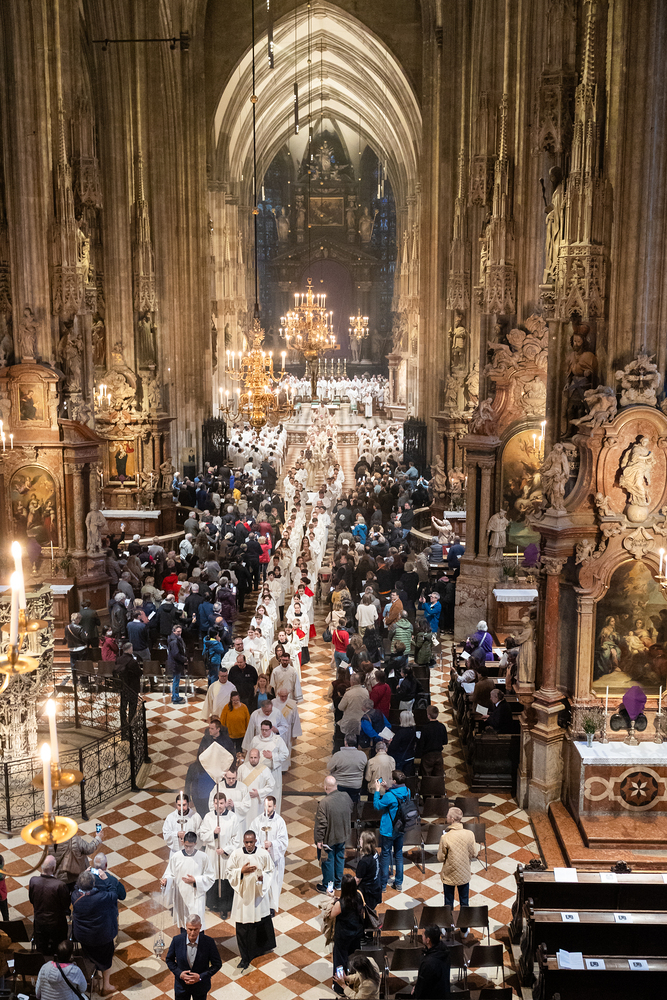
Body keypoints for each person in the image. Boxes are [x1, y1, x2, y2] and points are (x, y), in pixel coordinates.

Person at [227, 830, 276, 971]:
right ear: (243, 842)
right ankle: (245, 957)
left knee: (258, 923)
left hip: (257, 894)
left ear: (255, 841)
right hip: (242, 896)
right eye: (246, 842)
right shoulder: (236, 854)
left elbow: (270, 871)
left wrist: (263, 877)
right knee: (242, 927)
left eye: (251, 842)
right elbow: (229, 871)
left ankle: (257, 951)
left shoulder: (263, 854)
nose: (249, 845)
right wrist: (241, 872)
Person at [70, 870, 120, 996]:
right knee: (106, 959)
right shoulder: (100, 898)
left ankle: (93, 975)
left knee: (89, 956)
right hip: (101, 936)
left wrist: (83, 875)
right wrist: (106, 879)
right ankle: (106, 986)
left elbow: (76, 887)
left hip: (83, 935)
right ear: (93, 884)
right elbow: (114, 894)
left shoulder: (75, 895)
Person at [198, 792, 241, 919]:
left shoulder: (233, 817)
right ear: (213, 803)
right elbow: (202, 835)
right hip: (212, 853)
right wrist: (213, 834)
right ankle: (213, 904)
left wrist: (225, 850)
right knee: (213, 878)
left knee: (225, 880)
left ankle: (225, 908)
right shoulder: (208, 817)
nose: (219, 806)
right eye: (216, 803)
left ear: (225, 803)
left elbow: (236, 839)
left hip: (226, 856)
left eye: (221, 803)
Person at [160, 831, 216, 928]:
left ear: (195, 844)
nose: (188, 849)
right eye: (186, 846)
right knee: (183, 922)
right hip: (181, 895)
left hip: (196, 895)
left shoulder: (203, 857)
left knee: (196, 921)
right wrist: (166, 881)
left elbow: (210, 877)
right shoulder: (176, 857)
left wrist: (195, 881)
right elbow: (170, 873)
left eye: (191, 846)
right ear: (183, 843)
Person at [165, 913, 222, 1000]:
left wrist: (200, 977)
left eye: (196, 929)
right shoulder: (177, 940)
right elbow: (169, 960)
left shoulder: (208, 942)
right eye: (190, 929)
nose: (192, 933)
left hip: (200, 987)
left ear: (200, 927)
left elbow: (217, 964)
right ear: (186, 927)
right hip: (181, 987)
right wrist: (180, 974)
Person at [249, 795, 288, 916]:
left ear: (275, 806)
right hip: (261, 859)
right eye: (266, 806)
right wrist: (261, 847)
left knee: (273, 884)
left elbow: (283, 842)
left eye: (270, 806)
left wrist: (271, 844)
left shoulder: (279, 822)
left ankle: (271, 907)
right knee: (262, 882)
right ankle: (261, 905)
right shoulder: (257, 821)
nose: (267, 809)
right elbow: (252, 838)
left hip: (274, 858)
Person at [314, 775, 353, 893]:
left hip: (329, 839)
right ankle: (339, 883)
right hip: (343, 835)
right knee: (340, 859)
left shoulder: (324, 803)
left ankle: (329, 887)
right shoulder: (346, 796)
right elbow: (351, 809)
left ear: (325, 787)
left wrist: (319, 840)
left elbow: (321, 824)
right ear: (336, 785)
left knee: (328, 863)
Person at [373, 770, 410, 892]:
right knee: (398, 854)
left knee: (385, 856)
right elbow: (396, 799)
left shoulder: (389, 796)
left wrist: (377, 790)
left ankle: (383, 885)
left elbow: (377, 805)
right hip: (401, 828)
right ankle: (398, 883)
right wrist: (387, 788)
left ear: (394, 781)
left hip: (389, 830)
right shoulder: (407, 791)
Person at [437, 807, 479, 914]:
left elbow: (440, 858)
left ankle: (449, 923)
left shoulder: (445, 837)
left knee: (448, 902)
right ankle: (464, 924)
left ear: (452, 819)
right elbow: (474, 854)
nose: (446, 816)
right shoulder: (470, 834)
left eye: (447, 815)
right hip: (464, 873)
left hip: (449, 874)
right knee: (464, 902)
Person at [29, 855, 71, 955]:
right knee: (59, 950)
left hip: (39, 923)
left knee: (41, 951)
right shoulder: (60, 885)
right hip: (57, 925)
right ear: (53, 868)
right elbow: (66, 905)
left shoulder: (33, 881)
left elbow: (32, 900)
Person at [395, 926, 450, 999]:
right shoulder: (445, 951)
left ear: (428, 940)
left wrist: (416, 990)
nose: (421, 935)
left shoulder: (428, 963)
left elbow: (422, 988)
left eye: (423, 934)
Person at [331, 874, 365, 990]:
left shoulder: (340, 903)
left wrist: (331, 897)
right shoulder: (359, 896)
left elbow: (331, 915)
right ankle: (355, 982)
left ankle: (340, 987)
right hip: (357, 934)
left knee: (340, 962)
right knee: (354, 960)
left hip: (343, 937)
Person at [50, 830, 103, 894]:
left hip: (59, 876)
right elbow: (89, 849)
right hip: (74, 875)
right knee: (76, 893)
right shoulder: (75, 840)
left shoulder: (51, 842)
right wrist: (98, 838)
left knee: (63, 896)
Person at [237, 747, 277, 826]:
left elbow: (271, 786)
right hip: (245, 801)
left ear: (259, 757)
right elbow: (238, 784)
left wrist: (258, 792)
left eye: (255, 757)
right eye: (251, 757)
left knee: (256, 823)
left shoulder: (265, 769)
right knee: (245, 823)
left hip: (257, 802)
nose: (253, 760)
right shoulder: (242, 768)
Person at [327, 735, 368, 803]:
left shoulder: (338, 755)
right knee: (353, 804)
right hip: (355, 786)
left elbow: (329, 768)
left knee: (339, 803)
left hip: (340, 785)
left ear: (345, 742)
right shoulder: (362, 755)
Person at [113, 642, 143, 731]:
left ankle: (123, 724)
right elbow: (139, 673)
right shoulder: (132, 661)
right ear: (130, 649)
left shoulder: (118, 659)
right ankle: (131, 724)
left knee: (123, 706)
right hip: (132, 687)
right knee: (132, 706)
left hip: (123, 686)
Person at [416, 706, 448, 777]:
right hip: (438, 755)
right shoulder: (442, 726)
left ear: (428, 715)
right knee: (438, 776)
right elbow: (445, 741)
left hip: (428, 756)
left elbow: (422, 743)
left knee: (426, 776)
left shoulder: (425, 728)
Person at [354, 831, 381, 909]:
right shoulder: (375, 854)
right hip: (375, 888)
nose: (359, 840)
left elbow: (358, 880)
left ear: (364, 843)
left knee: (365, 911)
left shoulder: (364, 861)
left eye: (361, 839)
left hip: (367, 893)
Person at [388, 710, 418, 775]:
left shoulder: (400, 732)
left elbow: (393, 747)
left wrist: (390, 742)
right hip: (410, 756)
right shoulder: (413, 730)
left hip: (400, 758)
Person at [168, 624, 187, 704]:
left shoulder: (176, 639)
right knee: (176, 681)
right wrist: (184, 659)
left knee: (176, 680)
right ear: (173, 631)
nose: (179, 633)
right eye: (178, 631)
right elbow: (176, 654)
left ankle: (175, 696)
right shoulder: (174, 641)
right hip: (175, 664)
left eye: (180, 631)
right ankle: (175, 698)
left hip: (176, 663)